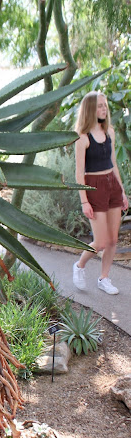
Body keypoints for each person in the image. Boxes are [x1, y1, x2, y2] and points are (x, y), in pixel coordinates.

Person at [73, 91, 128, 294]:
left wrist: (121, 191)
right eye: (99, 106)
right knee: (101, 241)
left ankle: (104, 278)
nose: (104, 109)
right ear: (89, 109)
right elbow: (79, 172)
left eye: (105, 105)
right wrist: (84, 201)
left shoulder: (110, 132)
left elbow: (113, 163)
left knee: (113, 239)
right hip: (93, 187)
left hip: (112, 184)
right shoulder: (82, 138)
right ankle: (79, 266)